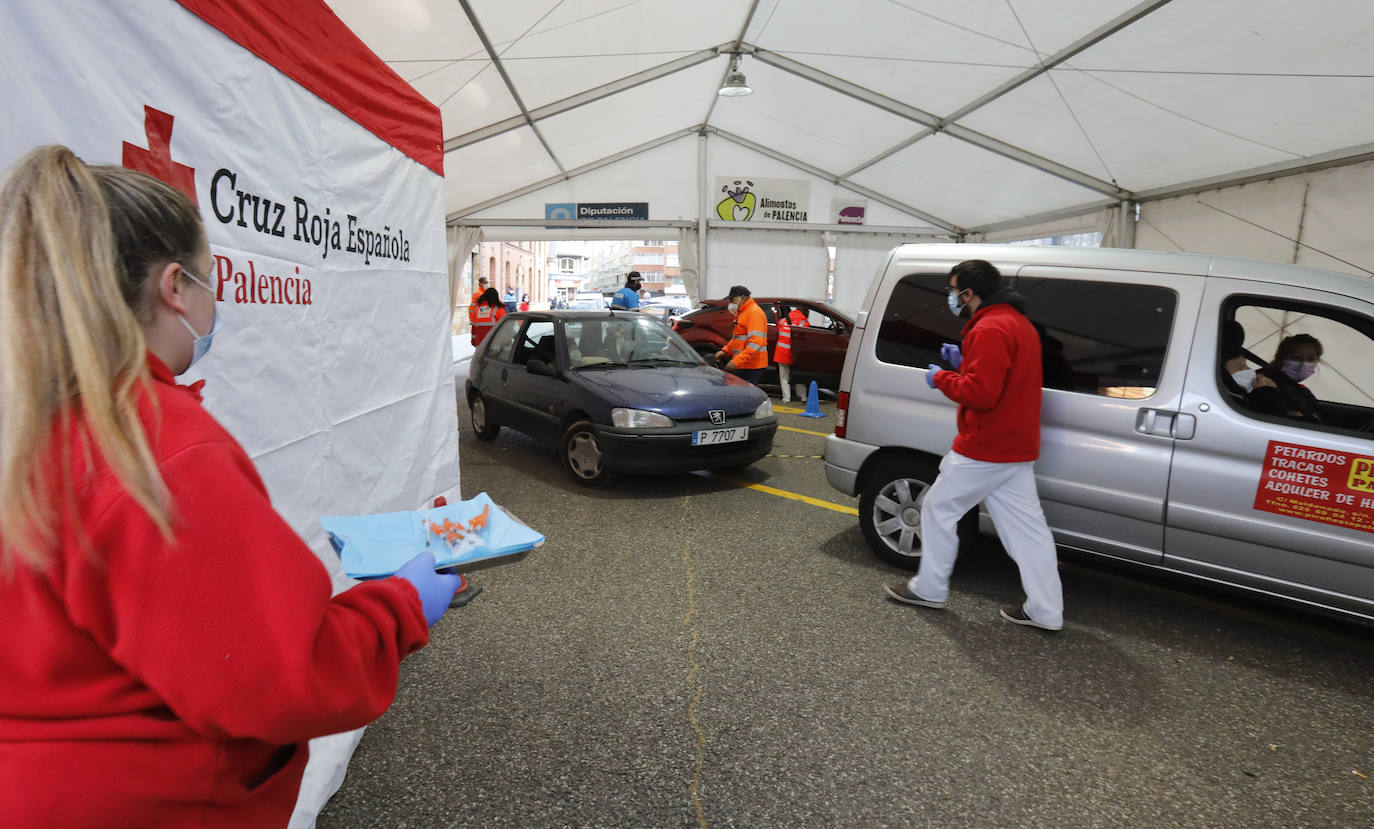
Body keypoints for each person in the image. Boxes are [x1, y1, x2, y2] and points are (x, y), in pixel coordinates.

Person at [0, 145, 464, 825]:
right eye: (210, 281)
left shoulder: (33, 424)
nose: (216, 301)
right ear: (173, 287)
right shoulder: (157, 447)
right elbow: (282, 678)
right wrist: (403, 604)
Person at [883, 259, 1064, 632]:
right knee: (1028, 532)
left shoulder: (990, 328)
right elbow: (1003, 377)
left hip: (985, 445)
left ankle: (930, 588)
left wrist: (944, 377)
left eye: (953, 290)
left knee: (936, 508)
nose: (952, 298)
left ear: (969, 293)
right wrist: (966, 361)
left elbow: (981, 393)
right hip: (1017, 446)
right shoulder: (1019, 324)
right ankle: (1046, 610)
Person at [1246, 333, 1323, 423]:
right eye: (1296, 358)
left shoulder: (1301, 389)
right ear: (1281, 358)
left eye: (1310, 359)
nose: (1303, 364)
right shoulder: (1262, 381)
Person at [714, 285, 768, 384]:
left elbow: (755, 343)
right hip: (744, 364)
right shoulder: (742, 312)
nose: (731, 303)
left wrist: (736, 361)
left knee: (745, 396)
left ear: (743, 297)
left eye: (732, 299)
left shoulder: (754, 313)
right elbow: (737, 338)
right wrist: (725, 351)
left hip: (752, 366)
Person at [1220, 319, 1274, 396]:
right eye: (1239, 366)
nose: (1248, 370)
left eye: (1246, 365)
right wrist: (1265, 391)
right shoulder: (1226, 395)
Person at [775, 303, 797, 403]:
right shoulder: (796, 323)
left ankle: (787, 398)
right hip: (793, 354)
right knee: (797, 375)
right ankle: (803, 396)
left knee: (784, 377)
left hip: (782, 354)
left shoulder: (781, 322)